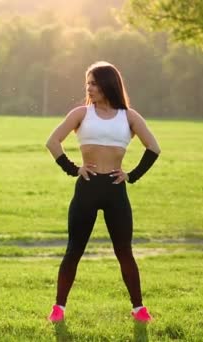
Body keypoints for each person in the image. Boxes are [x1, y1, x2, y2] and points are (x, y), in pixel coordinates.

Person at [45, 61, 161, 323]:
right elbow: (52, 142)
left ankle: (139, 309)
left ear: (108, 84)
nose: (89, 87)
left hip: (115, 191)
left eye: (94, 83)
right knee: (74, 250)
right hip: (87, 189)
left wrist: (131, 175)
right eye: (88, 82)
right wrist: (72, 169)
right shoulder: (81, 114)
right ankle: (58, 309)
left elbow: (154, 147)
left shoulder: (129, 117)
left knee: (124, 252)